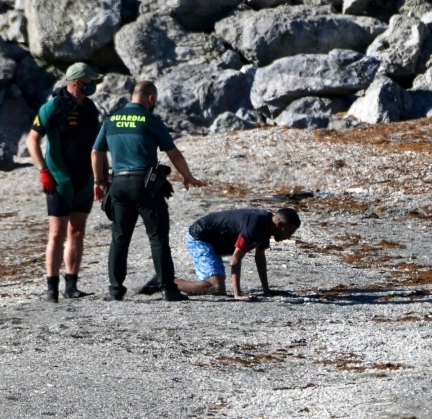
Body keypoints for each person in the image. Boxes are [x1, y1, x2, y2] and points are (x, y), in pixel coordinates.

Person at [91, 80, 204, 302]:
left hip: (119, 184)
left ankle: (115, 289)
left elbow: (96, 153)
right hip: (145, 184)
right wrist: (187, 177)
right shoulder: (150, 120)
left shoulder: (111, 120)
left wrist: (98, 181)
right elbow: (173, 153)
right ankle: (168, 289)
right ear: (150, 99)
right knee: (158, 237)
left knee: (120, 237)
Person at [26, 62, 104, 302]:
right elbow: (32, 140)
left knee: (77, 232)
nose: (95, 85)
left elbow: (98, 147)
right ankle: (52, 288)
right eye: (91, 81)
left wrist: (100, 178)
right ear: (78, 82)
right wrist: (43, 171)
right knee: (57, 233)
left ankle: (72, 285)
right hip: (59, 179)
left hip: (84, 179)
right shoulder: (52, 107)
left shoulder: (90, 108)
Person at [159, 208, 301, 300]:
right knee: (216, 288)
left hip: (214, 242)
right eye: (288, 232)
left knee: (215, 287)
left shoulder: (267, 228)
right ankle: (167, 282)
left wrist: (266, 290)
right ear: (279, 225)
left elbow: (260, 257)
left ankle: (168, 281)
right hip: (200, 237)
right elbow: (235, 259)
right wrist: (237, 294)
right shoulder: (256, 225)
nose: (288, 237)